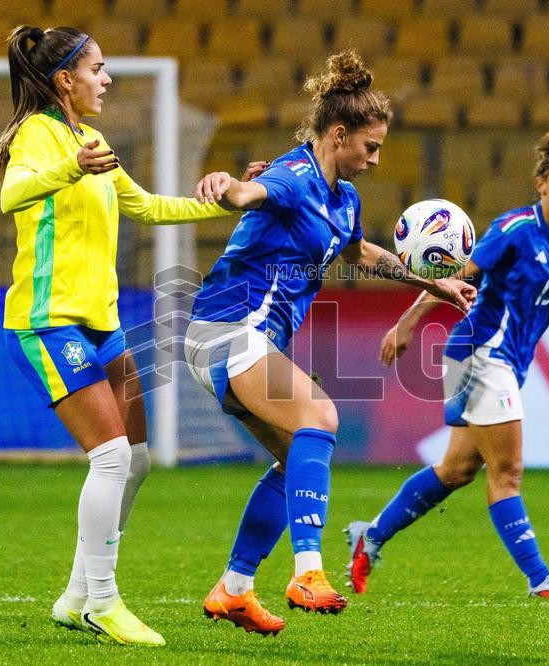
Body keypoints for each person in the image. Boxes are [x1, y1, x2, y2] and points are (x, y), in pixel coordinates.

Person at [185, 51, 476, 636]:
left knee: (293, 457)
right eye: (370, 147)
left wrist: (434, 284)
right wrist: (226, 185)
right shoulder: (293, 177)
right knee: (320, 415)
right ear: (338, 135)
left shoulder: (342, 199)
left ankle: (234, 589)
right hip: (229, 328)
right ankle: (308, 572)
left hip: (246, 339)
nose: (376, 159)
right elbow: (250, 193)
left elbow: (359, 252)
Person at [0, 26, 234, 647]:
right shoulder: (36, 135)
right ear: (65, 79)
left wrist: (232, 201)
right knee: (111, 456)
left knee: (138, 459)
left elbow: (147, 206)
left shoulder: (94, 141)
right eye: (97, 69)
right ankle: (103, 600)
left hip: (102, 323)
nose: (107, 78)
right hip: (48, 321)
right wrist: (68, 169)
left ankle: (76, 597)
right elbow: (12, 195)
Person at [345, 131, 549, 600]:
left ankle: (371, 535)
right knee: (507, 472)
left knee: (455, 470)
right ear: (542, 184)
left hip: (503, 361)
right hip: (480, 354)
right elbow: (455, 275)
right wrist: (407, 322)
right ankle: (540, 577)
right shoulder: (514, 230)